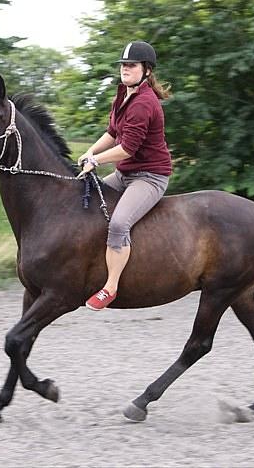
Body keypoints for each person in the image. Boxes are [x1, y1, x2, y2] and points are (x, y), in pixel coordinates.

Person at [77, 41, 172, 311]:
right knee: (88, 199)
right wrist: (90, 150)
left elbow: (127, 148)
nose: (125, 69)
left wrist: (96, 160)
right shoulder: (123, 95)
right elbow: (111, 133)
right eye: (123, 64)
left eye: (131, 65)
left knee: (118, 223)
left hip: (150, 177)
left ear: (146, 70)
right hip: (124, 174)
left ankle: (110, 288)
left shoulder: (144, 103)